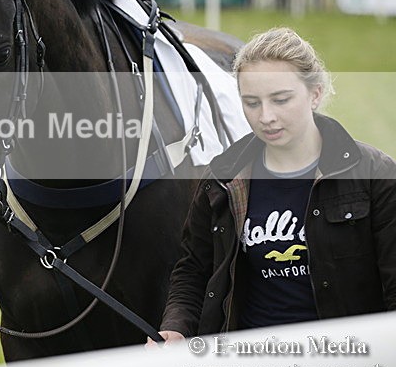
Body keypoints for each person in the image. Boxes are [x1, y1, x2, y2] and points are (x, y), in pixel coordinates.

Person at [148, 27, 396, 344]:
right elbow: (193, 271)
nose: (266, 116)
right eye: (252, 102)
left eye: (280, 100)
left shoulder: (375, 174)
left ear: (315, 93)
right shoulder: (223, 178)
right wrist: (176, 326)